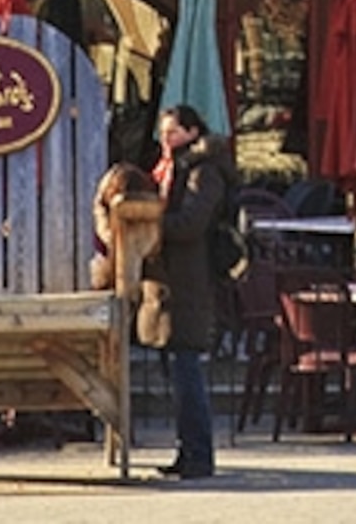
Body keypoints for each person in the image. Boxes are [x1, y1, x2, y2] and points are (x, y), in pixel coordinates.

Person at [137, 104, 228, 482]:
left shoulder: (203, 171)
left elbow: (191, 223)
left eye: (174, 131)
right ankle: (185, 449)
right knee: (174, 374)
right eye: (164, 131)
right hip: (165, 284)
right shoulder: (169, 168)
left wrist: (149, 224)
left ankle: (199, 455)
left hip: (189, 283)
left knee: (186, 371)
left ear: (193, 132)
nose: (166, 138)